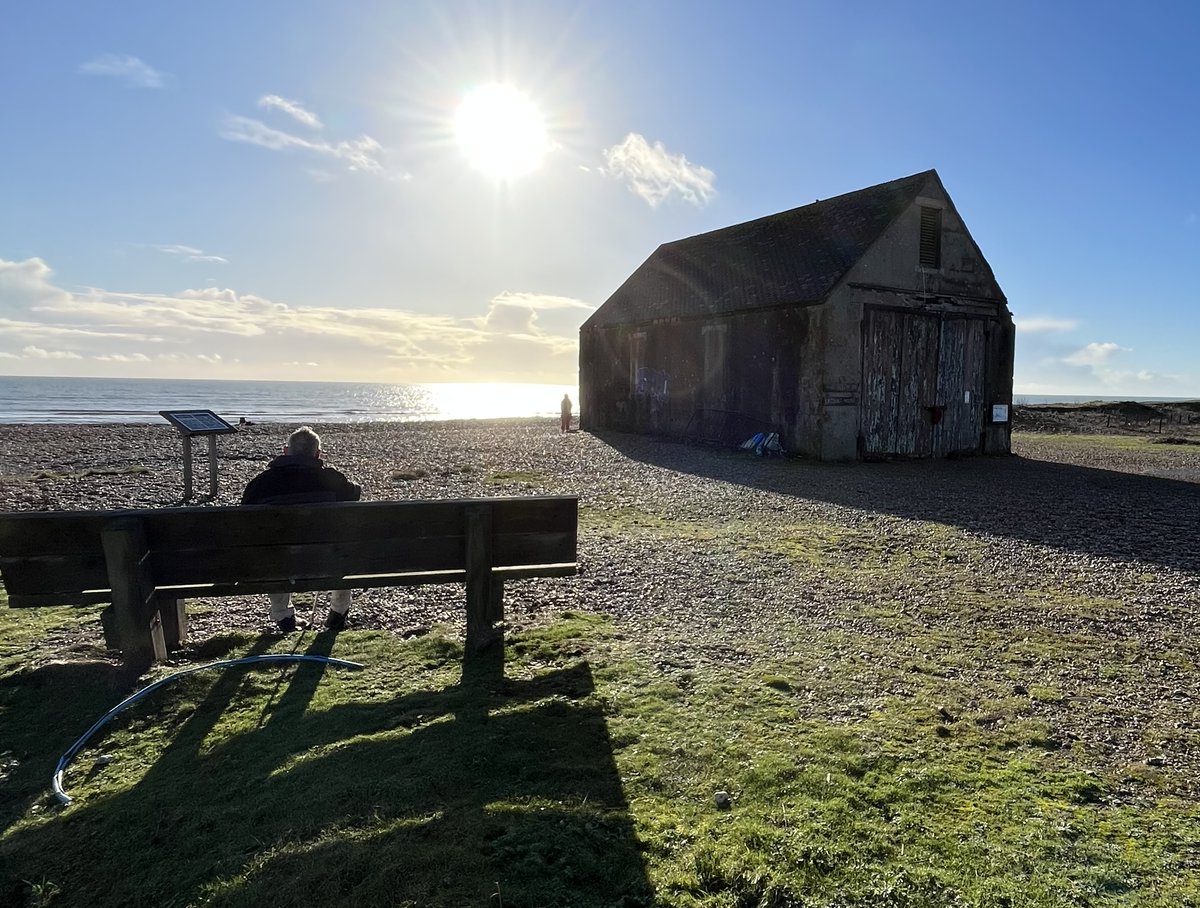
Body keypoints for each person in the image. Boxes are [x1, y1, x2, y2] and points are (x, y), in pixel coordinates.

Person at [241, 425, 362, 633]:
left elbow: (245, 524)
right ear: (317, 454)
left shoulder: (260, 484)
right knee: (343, 552)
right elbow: (355, 493)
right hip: (327, 558)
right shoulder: (333, 480)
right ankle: (338, 614)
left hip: (278, 562)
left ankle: (284, 617)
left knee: (271, 553)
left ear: (286, 451)